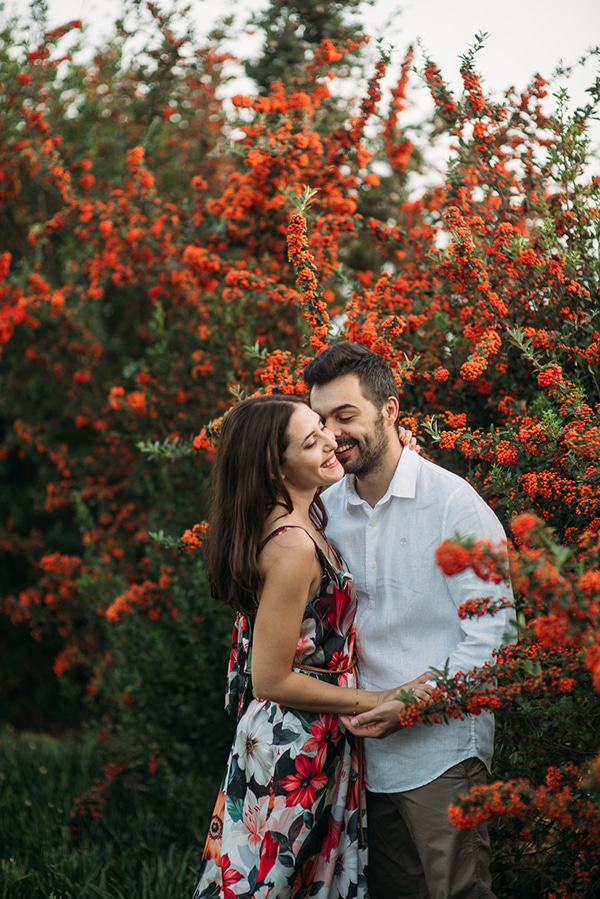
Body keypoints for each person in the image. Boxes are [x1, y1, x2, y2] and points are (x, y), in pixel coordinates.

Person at [191, 394, 432, 899]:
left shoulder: (306, 521)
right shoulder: (293, 547)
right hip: (292, 745)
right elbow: (272, 678)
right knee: (269, 886)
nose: (330, 440)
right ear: (276, 468)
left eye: (323, 427)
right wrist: (386, 697)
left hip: (314, 739)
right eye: (311, 440)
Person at [303, 343, 515, 899]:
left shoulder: (454, 506)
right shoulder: (325, 512)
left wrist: (413, 702)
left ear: (390, 411)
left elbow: (495, 638)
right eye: (321, 420)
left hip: (442, 750)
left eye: (346, 416)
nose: (332, 433)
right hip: (359, 760)